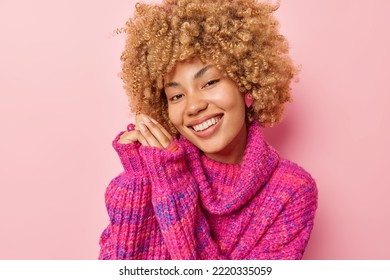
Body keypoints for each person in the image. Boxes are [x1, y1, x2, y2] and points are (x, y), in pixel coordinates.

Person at [99, 0, 318, 260]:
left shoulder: (291, 191)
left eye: (210, 82)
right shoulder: (151, 172)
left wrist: (174, 185)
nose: (193, 106)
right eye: (177, 96)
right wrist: (140, 178)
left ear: (246, 85)